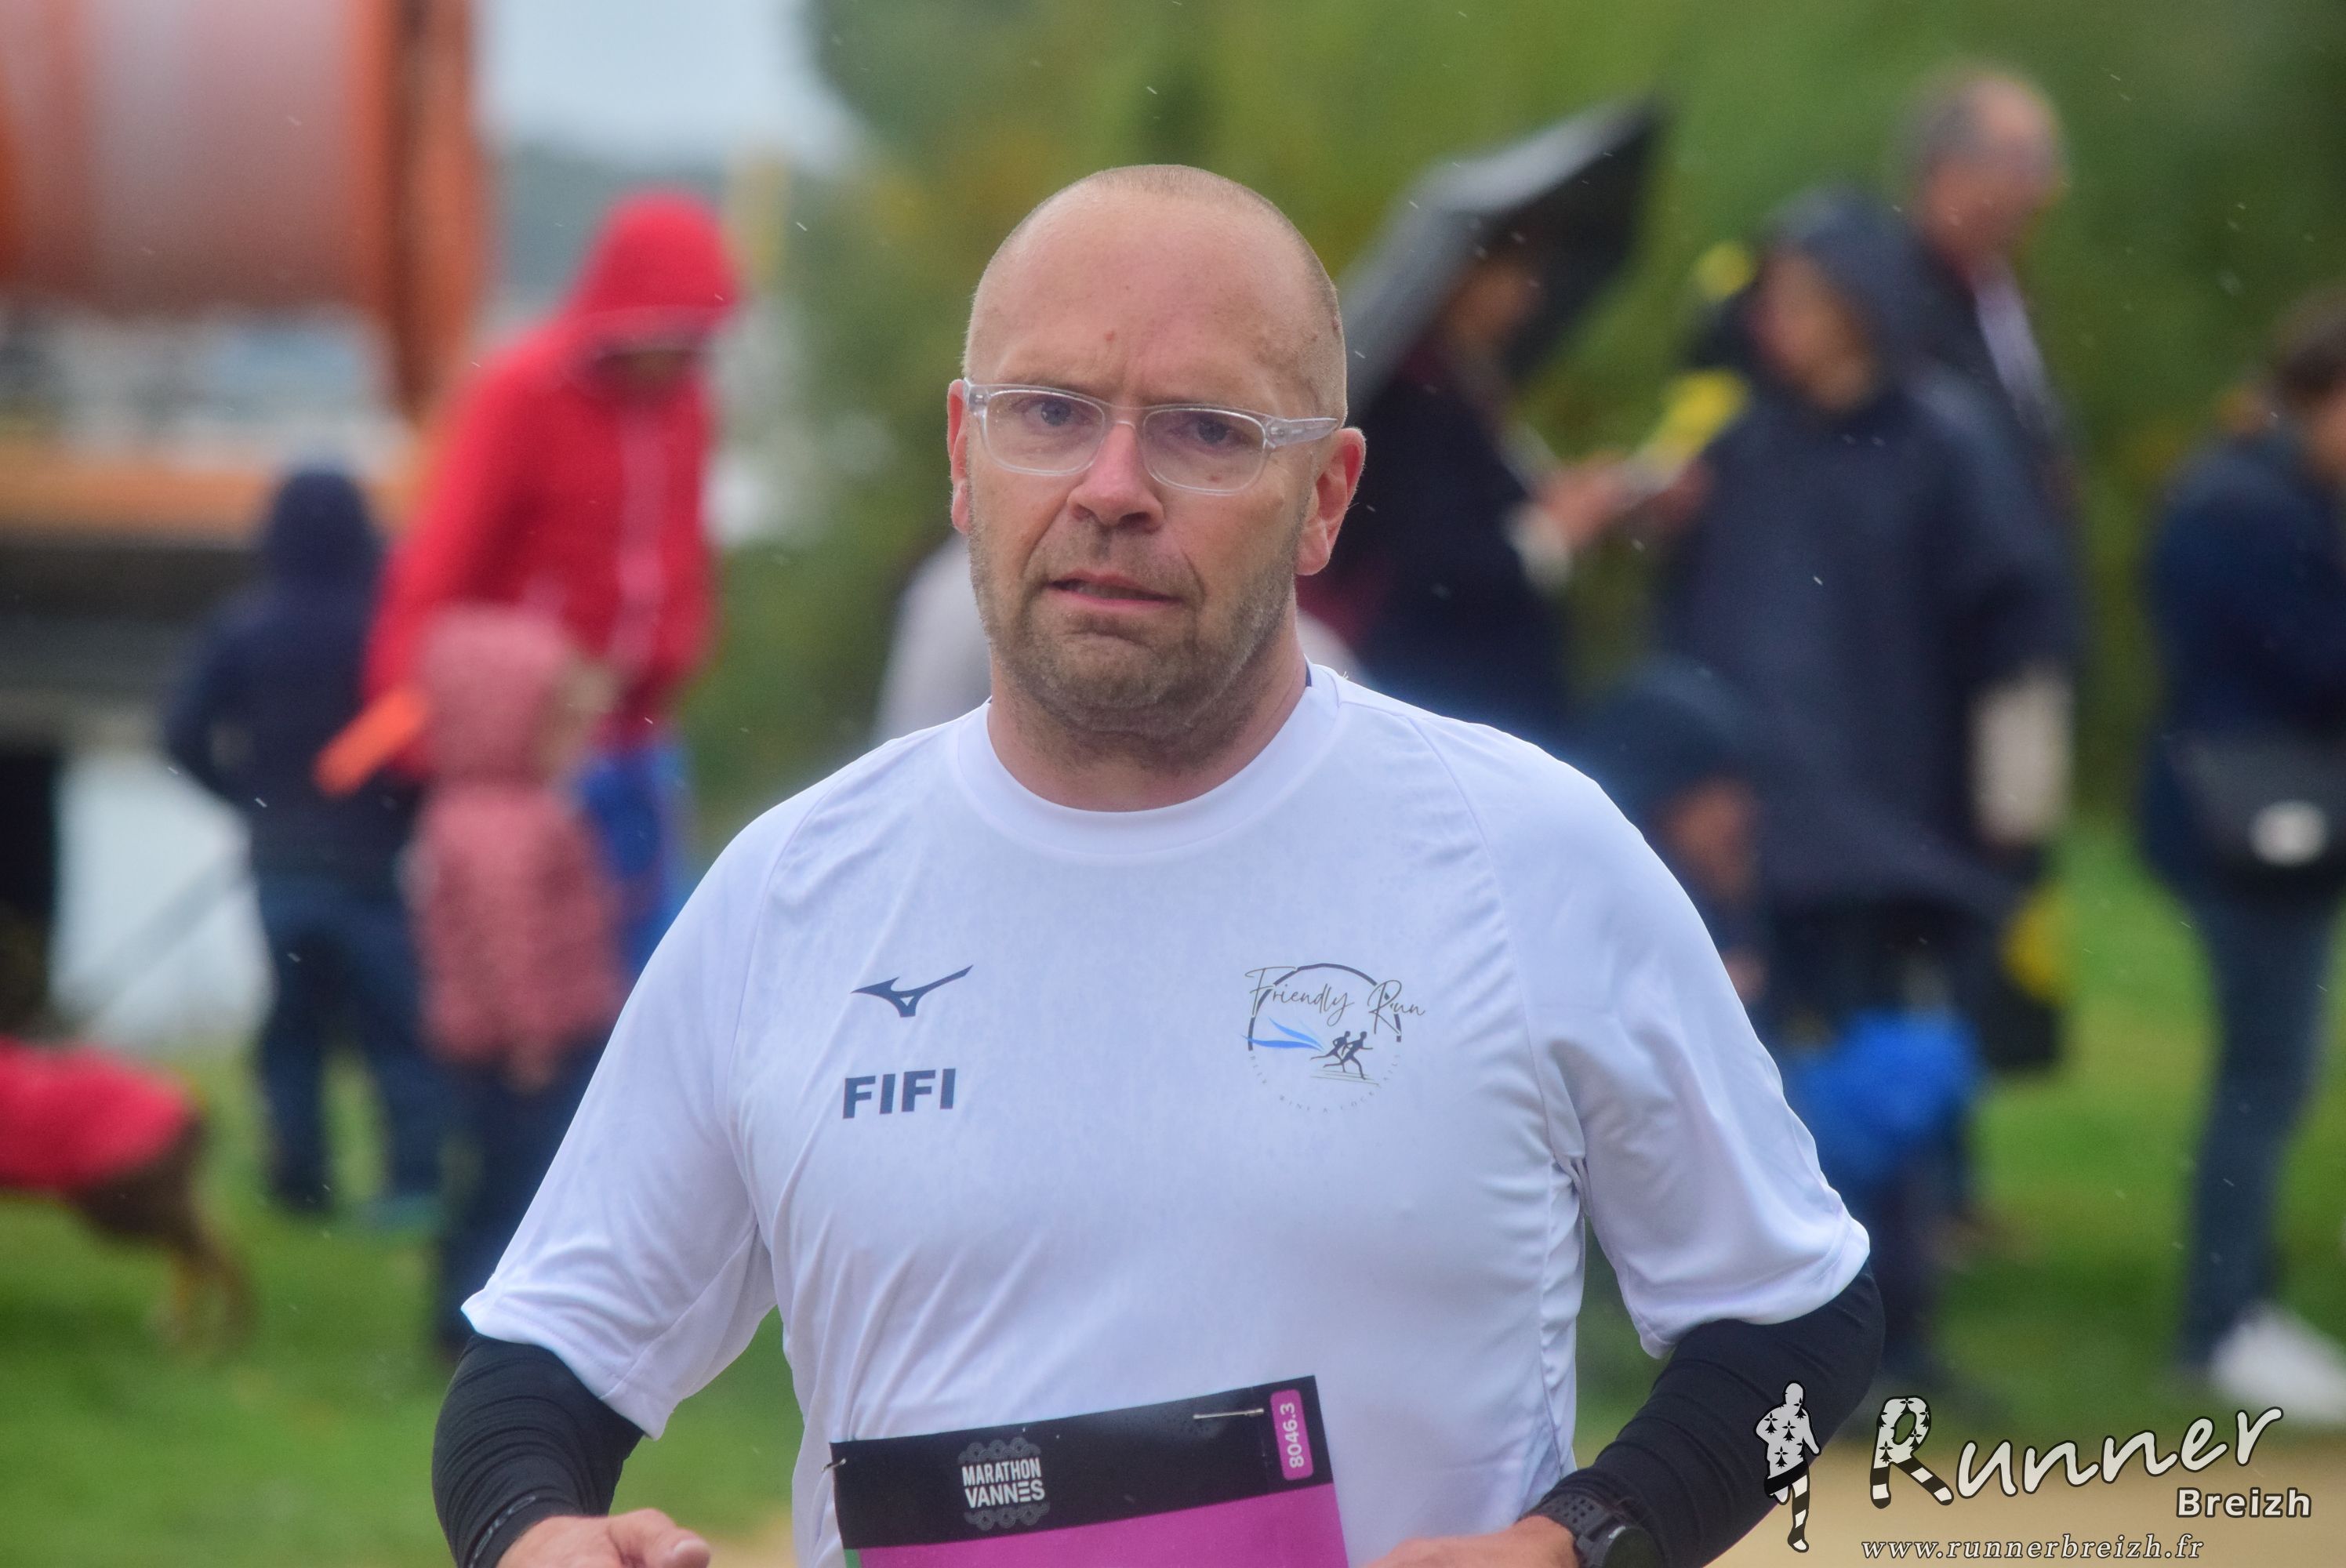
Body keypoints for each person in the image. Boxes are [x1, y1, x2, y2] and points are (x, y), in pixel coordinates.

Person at [431, 166, 1880, 1568]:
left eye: (1204, 432)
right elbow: (537, 1367)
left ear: (1325, 495)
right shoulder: (791, 895)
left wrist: (1580, 1543)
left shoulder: (1529, 858)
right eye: (1050, 413)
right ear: (963, 458)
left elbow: (1804, 1327)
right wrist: (537, 1536)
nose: (1112, 487)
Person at [1652, 188, 2069, 1394]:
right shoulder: (1740, 454)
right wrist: (1691, 785)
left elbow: (2017, 631)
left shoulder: (1948, 445)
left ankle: (1899, 1335)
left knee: (1891, 1086)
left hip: (1898, 828)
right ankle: (1770, 1348)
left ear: (1859, 308)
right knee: (1753, 1096)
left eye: (1799, 299)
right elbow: (1690, 636)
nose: (1773, 322)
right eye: (1769, 300)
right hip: (1754, 827)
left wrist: (2014, 809)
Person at [366, 192, 739, 975]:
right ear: (630, 318)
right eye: (676, 332)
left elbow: (684, 549)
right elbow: (438, 568)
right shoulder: (518, 392)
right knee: (544, 979)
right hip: (532, 752)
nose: (688, 356)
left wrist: (680, 647)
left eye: (700, 337)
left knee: (666, 965)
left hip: (643, 732)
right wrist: (417, 731)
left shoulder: (688, 409)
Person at [2140, 290, 2346, 1425]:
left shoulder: (2265, 493)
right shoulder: (2242, 505)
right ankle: (2220, 1323)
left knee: (2274, 1069)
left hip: (2269, 825)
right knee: (2263, 1073)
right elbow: (2306, 660)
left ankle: (2239, 1307)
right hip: (2244, 831)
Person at [163, 469, 441, 1224]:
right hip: (371, 868)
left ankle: (301, 1188)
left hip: (281, 866)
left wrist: (246, 801)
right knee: (395, 1031)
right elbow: (425, 745)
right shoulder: (386, 631)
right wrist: (403, 817)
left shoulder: (243, 629)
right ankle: (412, 1185)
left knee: (293, 1034)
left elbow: (180, 736)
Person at [1301, 245, 1630, 753]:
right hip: (1443, 680)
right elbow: (1431, 557)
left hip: (1473, 675)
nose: (1526, 295)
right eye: (1508, 271)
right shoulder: (1411, 393)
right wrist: (1551, 534)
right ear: (1458, 277)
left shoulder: (1466, 379)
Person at [409, 608, 624, 1358]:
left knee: (488, 1179)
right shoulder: (513, 822)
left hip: (489, 1040)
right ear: (511, 723)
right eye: (562, 727)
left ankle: (468, 1310)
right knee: (524, 1188)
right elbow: (510, 944)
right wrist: (532, 1036)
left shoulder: (463, 810)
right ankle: (486, 1321)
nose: (579, 747)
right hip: (530, 1046)